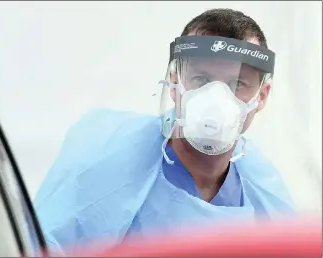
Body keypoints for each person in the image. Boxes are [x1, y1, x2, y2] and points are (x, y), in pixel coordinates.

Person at [34, 8, 295, 256]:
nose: (217, 100)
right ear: (174, 81)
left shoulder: (262, 190)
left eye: (237, 84)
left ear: (262, 95)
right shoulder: (106, 161)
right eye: (201, 80)